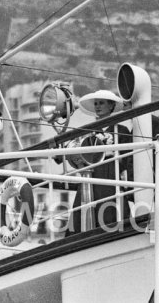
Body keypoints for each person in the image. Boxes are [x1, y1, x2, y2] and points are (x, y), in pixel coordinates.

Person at [67, 90, 132, 235]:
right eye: (96, 103)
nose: (97, 106)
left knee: (112, 215)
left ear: (111, 106)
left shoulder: (121, 130)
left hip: (111, 177)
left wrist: (110, 153)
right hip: (91, 178)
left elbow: (127, 159)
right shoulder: (86, 130)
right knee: (83, 215)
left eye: (101, 103)